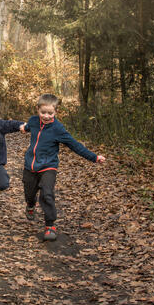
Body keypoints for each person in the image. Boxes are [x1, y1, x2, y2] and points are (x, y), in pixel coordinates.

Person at [21, 93, 105, 241]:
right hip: (30, 166)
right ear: (37, 110)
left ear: (56, 112)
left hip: (48, 166)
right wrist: (24, 128)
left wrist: (94, 157)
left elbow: (75, 145)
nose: (46, 116)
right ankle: (30, 204)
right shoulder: (34, 121)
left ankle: (50, 225)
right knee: (29, 191)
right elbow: (28, 127)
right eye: (43, 113)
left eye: (50, 113)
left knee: (47, 193)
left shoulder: (58, 129)